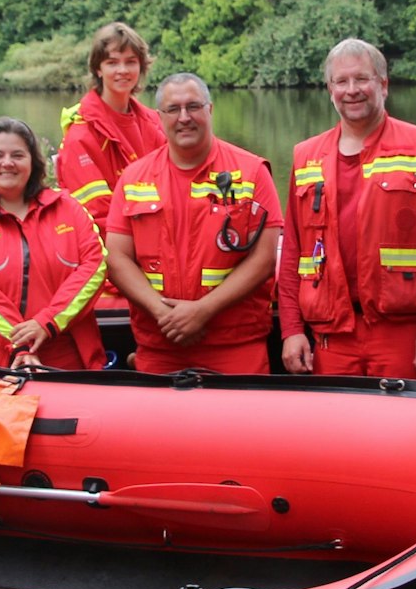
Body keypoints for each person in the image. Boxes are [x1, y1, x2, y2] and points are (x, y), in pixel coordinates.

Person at [279, 39, 416, 379]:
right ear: (329, 89)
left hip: (402, 333)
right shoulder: (306, 157)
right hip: (331, 335)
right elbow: (293, 250)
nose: (352, 90)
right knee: (336, 431)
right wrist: (291, 329)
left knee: (407, 430)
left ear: (383, 84)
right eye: (341, 81)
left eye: (362, 79)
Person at [105, 74, 283, 375]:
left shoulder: (251, 172)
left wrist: (203, 311)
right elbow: (117, 259)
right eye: (173, 109)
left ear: (210, 110)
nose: (184, 117)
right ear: (160, 117)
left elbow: (264, 260)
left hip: (235, 344)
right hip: (161, 343)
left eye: (193, 106)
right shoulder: (134, 178)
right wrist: (164, 313)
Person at [0, 118, 108, 369]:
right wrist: (19, 342)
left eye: (18, 155)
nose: (7, 163)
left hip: (64, 358)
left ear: (33, 162)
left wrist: (47, 323)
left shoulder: (69, 207)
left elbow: (95, 266)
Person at [56, 22, 166, 228]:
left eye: (130, 62)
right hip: (113, 250)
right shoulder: (82, 134)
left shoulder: (155, 123)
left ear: (141, 66)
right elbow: (96, 215)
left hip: (159, 240)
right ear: (98, 69)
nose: (122, 70)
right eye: (112, 63)